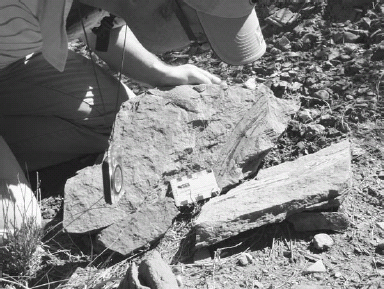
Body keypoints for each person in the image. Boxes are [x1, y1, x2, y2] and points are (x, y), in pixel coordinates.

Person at [0, 0, 266, 242]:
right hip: (11, 35)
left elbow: (101, 27)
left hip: (12, 57)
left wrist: (160, 73)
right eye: (199, 36)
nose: (200, 46)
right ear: (163, 7)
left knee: (121, 118)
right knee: (17, 227)